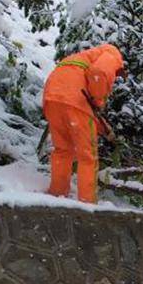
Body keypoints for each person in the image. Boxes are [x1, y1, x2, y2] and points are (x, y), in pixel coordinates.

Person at [42, 44, 126, 203]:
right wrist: (99, 100)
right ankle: (88, 202)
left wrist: (105, 129)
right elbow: (99, 73)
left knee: (62, 150)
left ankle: (57, 195)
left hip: (52, 98)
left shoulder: (79, 60)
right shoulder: (111, 52)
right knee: (87, 156)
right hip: (75, 101)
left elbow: (87, 115)